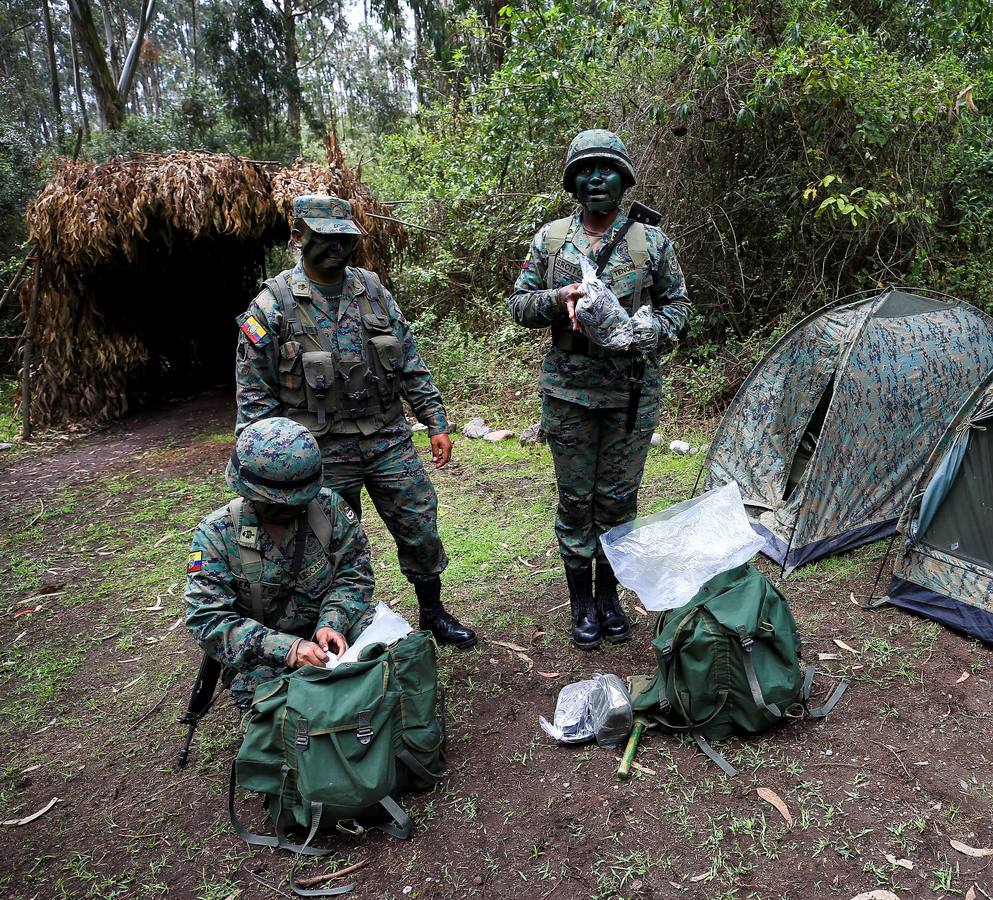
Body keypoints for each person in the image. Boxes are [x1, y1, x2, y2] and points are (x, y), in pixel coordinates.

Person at [235, 195, 475, 649]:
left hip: (387, 440)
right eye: (323, 238)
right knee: (325, 547)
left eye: (343, 238)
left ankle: (433, 612)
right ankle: (333, 632)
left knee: (420, 529)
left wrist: (435, 419)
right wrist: (262, 466)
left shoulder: (372, 290)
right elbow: (254, 393)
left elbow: (408, 359)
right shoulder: (273, 305)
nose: (335, 248)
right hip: (319, 451)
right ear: (298, 237)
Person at [507, 129, 692, 649]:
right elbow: (518, 307)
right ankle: (581, 602)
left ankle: (608, 596)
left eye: (605, 168)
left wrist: (650, 329)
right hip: (568, 392)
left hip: (630, 392)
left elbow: (680, 305)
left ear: (623, 178)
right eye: (585, 170)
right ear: (572, 181)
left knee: (617, 500)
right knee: (574, 500)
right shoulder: (549, 240)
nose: (595, 178)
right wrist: (558, 295)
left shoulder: (652, 242)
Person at [185, 417, 375, 709]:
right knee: (280, 711)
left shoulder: (329, 509)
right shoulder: (216, 535)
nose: (289, 508)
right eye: (275, 503)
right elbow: (208, 620)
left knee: (386, 654)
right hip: (265, 655)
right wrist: (288, 649)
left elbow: (354, 574)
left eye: (298, 501)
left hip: (331, 634)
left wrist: (332, 623)